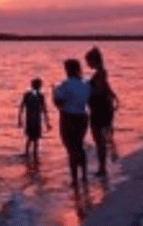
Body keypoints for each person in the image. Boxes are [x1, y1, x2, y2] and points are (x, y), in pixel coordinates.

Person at [53, 59, 91, 188]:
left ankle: (75, 180)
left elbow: (58, 103)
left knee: (71, 149)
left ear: (69, 69)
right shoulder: (85, 83)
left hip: (68, 117)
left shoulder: (65, 84)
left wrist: (53, 92)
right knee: (80, 145)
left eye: (66, 69)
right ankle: (84, 176)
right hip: (83, 117)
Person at [85, 46, 120, 177]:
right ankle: (106, 162)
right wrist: (113, 96)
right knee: (103, 138)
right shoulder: (102, 72)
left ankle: (102, 168)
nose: (87, 64)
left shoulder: (99, 74)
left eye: (88, 62)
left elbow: (101, 91)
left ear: (94, 61)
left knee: (99, 140)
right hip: (104, 109)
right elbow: (106, 87)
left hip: (99, 110)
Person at [17, 77, 51, 160]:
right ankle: (34, 156)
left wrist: (19, 119)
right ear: (40, 86)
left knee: (30, 138)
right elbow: (44, 110)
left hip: (30, 119)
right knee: (35, 140)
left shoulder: (28, 94)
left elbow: (21, 108)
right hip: (35, 120)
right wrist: (47, 123)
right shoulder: (40, 96)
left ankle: (28, 154)